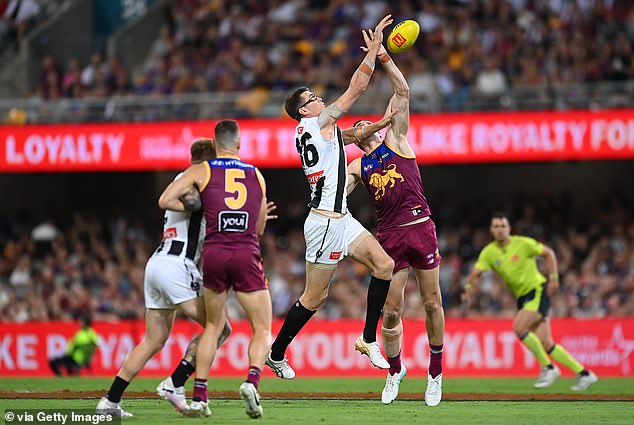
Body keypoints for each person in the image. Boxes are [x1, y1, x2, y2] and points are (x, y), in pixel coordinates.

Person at [265, 15, 397, 380]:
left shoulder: (316, 130)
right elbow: (355, 90)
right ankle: (276, 353)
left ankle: (368, 339)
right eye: (312, 98)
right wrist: (373, 54)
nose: (319, 98)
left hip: (341, 217)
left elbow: (351, 137)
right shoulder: (318, 123)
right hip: (324, 221)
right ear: (303, 111)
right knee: (314, 298)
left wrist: (382, 124)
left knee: (384, 266)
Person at [96, 139, 231, 417]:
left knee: (153, 340)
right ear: (208, 161)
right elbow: (185, 202)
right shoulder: (196, 183)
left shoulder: (181, 180)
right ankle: (176, 383)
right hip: (177, 265)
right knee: (220, 327)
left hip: (157, 264)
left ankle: (110, 401)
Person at [346, 41, 444, 406]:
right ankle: (395, 370)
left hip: (419, 226)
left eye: (367, 122)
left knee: (433, 303)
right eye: (358, 127)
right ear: (357, 139)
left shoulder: (397, 139)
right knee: (391, 311)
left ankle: (435, 374)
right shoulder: (357, 166)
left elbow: (402, 91)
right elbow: (334, 187)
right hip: (388, 237)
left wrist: (384, 57)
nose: (364, 126)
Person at [159, 120, 273, 419]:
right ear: (238, 143)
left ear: (215, 142)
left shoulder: (203, 170)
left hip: (214, 252)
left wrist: (200, 208)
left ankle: (199, 395)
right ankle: (251, 381)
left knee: (212, 326)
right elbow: (259, 227)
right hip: (246, 251)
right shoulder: (257, 175)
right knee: (262, 328)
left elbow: (165, 199)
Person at [464, 212, 599, 391]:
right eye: (496, 226)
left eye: (503, 226)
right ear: (491, 230)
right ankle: (585, 374)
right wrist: (468, 289)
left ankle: (548, 367)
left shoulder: (523, 243)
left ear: (509, 228)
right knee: (546, 343)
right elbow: (476, 272)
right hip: (523, 298)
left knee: (519, 328)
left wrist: (554, 278)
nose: (500, 230)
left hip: (537, 291)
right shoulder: (489, 252)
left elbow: (549, 253)